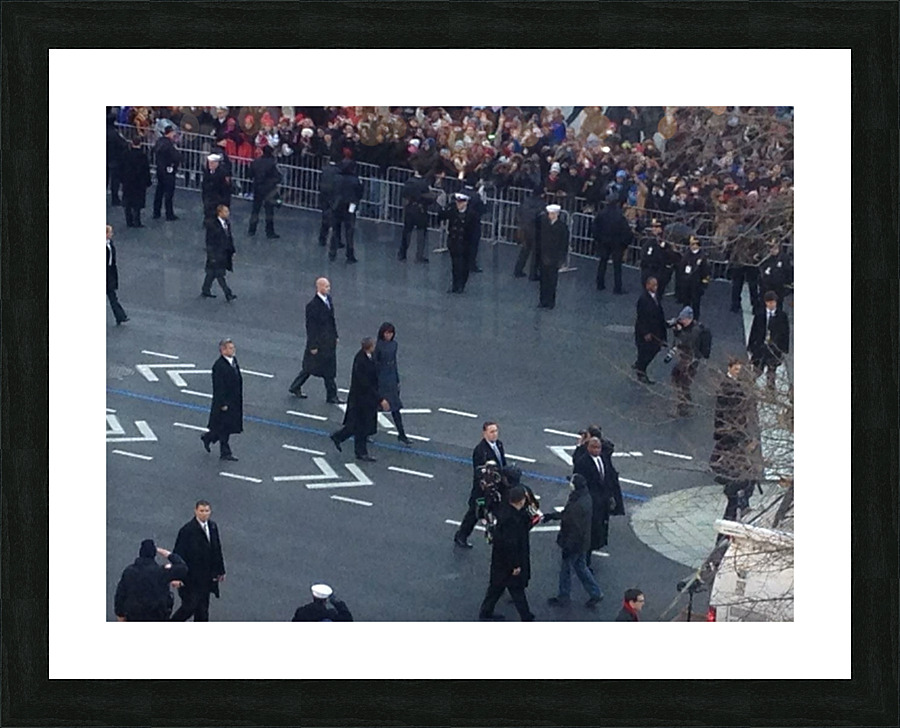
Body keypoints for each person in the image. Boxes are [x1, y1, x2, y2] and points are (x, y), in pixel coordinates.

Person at [542, 474, 604, 608]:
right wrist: (553, 516)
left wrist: (568, 547)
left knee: (566, 570)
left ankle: (563, 596)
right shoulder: (584, 497)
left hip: (573, 544)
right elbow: (568, 515)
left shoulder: (577, 503)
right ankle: (595, 593)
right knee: (581, 567)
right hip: (583, 543)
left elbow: (573, 527)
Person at [478, 486, 536, 621]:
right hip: (509, 562)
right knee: (516, 589)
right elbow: (511, 545)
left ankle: (486, 613)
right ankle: (526, 616)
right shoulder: (512, 521)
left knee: (496, 588)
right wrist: (515, 565)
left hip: (500, 561)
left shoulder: (505, 512)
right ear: (521, 501)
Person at [329, 337, 389, 462]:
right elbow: (365, 383)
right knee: (361, 426)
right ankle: (360, 452)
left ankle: (339, 438)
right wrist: (380, 398)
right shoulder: (361, 360)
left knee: (357, 426)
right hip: (361, 400)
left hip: (364, 399)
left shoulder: (366, 357)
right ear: (370, 347)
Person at [573, 437, 624, 570]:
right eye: (593, 447)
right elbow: (579, 482)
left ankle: (590, 552)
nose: (596, 450)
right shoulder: (583, 462)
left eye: (598, 448)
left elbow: (608, 478)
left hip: (602, 502)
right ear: (588, 447)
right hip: (591, 502)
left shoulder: (603, 459)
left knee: (598, 530)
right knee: (589, 531)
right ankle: (585, 560)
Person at [170, 500, 226, 622]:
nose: (204, 514)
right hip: (190, 578)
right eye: (201, 511)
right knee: (189, 607)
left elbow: (216, 549)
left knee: (202, 611)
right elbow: (178, 554)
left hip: (206, 578)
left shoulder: (212, 527)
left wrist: (220, 571)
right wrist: (177, 576)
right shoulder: (187, 531)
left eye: (207, 511)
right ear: (195, 511)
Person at [454, 421, 507, 548]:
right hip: (482, 490)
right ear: (484, 433)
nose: (495, 434)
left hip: (497, 487)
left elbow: (502, 463)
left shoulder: (499, 445)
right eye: (491, 432)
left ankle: (499, 537)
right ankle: (461, 535)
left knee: (499, 511)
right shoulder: (480, 450)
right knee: (474, 513)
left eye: (496, 431)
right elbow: (479, 472)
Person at [289, 277, 342, 403]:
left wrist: (335, 336)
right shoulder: (312, 306)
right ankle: (331, 395)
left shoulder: (328, 300)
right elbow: (311, 327)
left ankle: (330, 395)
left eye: (329, 286)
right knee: (312, 368)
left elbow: (331, 320)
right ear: (318, 287)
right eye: (326, 286)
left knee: (323, 369)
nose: (328, 289)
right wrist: (313, 345)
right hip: (320, 343)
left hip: (328, 341)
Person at [114, 539, 187, 622]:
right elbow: (183, 568)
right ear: (154, 555)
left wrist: (120, 614)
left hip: (134, 616)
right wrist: (165, 553)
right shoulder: (162, 572)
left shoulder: (129, 572)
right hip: (158, 616)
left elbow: (120, 595)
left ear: (140, 553)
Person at [201, 338, 243, 461]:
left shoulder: (233, 361)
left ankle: (209, 437)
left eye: (233, 347)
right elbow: (218, 387)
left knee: (225, 427)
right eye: (230, 348)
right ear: (223, 350)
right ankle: (225, 452)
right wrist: (223, 403)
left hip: (234, 400)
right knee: (225, 427)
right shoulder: (219, 366)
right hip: (225, 402)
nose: (233, 350)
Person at [374, 322, 411, 445]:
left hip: (390, 379)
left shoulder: (394, 345)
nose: (389, 335)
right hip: (382, 379)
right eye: (387, 333)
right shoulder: (378, 346)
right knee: (374, 409)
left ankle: (401, 434)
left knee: (395, 409)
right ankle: (365, 432)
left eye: (391, 333)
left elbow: (394, 363)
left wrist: (397, 380)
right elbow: (375, 365)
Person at [747, 290, 790, 388]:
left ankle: (770, 390)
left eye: (774, 302)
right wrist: (751, 346)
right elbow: (754, 330)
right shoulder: (760, 315)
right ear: (766, 302)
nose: (772, 304)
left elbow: (785, 333)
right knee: (757, 370)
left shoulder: (782, 316)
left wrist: (784, 349)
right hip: (761, 347)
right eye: (770, 302)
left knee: (771, 372)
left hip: (774, 348)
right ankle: (749, 386)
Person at [439, 192, 479, 294]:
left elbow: (475, 232)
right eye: (457, 201)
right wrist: (441, 207)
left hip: (465, 244)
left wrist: (473, 247)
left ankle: (461, 285)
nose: (458, 204)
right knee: (455, 265)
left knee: (464, 265)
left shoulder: (472, 214)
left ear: (466, 202)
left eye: (461, 202)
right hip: (454, 242)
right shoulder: (452, 210)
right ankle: (455, 285)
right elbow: (442, 216)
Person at [668, 306, 703, 417]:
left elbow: (688, 342)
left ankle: (683, 407)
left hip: (690, 361)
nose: (681, 321)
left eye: (682, 319)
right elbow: (678, 342)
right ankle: (685, 402)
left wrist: (679, 332)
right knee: (678, 379)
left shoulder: (696, 330)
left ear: (689, 319)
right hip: (684, 359)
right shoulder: (687, 328)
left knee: (683, 383)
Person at [594, 197, 633, 294]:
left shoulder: (601, 214)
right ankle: (617, 288)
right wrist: (625, 244)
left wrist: (598, 239)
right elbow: (626, 231)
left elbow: (595, 228)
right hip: (617, 243)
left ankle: (600, 284)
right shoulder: (620, 216)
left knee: (602, 262)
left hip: (604, 241)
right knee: (617, 266)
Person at [633, 276, 667, 384]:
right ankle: (641, 370)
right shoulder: (643, 299)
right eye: (653, 285)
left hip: (655, 329)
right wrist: (645, 332)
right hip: (646, 331)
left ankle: (640, 366)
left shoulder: (655, 297)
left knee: (652, 349)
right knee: (647, 351)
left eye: (656, 285)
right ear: (647, 285)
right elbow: (641, 317)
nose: (656, 287)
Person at [201, 204, 237, 302]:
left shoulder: (226, 223)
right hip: (216, 254)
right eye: (226, 212)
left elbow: (229, 238)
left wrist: (232, 250)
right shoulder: (213, 225)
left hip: (222, 254)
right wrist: (211, 255)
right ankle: (228, 293)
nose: (228, 213)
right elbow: (209, 241)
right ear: (220, 213)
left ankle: (205, 289)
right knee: (220, 274)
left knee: (211, 273)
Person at [537, 204, 569, 309]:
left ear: (556, 214)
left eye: (551, 213)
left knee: (552, 281)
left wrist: (561, 259)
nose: (549, 215)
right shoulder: (544, 224)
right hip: (544, 256)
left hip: (554, 258)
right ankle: (543, 300)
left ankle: (550, 302)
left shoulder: (562, 227)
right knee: (543, 280)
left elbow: (564, 244)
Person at [398, 166, 433, 262]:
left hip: (409, 209)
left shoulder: (408, 182)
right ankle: (419, 255)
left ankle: (402, 253)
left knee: (407, 231)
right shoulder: (424, 184)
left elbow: (403, 195)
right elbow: (429, 198)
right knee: (421, 233)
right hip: (420, 210)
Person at [330, 159, 362, 262]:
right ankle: (350, 254)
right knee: (349, 231)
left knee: (335, 230)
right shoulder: (355, 180)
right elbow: (359, 193)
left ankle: (332, 252)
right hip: (349, 207)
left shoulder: (336, 178)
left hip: (337, 206)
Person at [247, 142, 282, 239]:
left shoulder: (256, 162)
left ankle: (251, 230)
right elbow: (278, 177)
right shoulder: (272, 163)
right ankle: (269, 232)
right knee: (269, 211)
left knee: (255, 210)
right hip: (269, 190)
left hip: (257, 188)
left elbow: (249, 174)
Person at [674, 235, 711, 320]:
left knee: (695, 304)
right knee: (686, 302)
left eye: (693, 244)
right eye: (691, 244)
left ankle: (695, 319)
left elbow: (706, 272)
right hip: (686, 283)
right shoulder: (687, 254)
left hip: (696, 284)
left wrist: (703, 285)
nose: (691, 246)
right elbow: (681, 268)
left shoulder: (702, 257)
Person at [513, 184, 544, 280]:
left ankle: (518, 270)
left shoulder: (525, 201)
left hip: (524, 228)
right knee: (535, 253)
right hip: (535, 230)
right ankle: (533, 274)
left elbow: (519, 212)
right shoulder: (542, 204)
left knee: (524, 250)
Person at [120, 136, 151, 228]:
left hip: (127, 181)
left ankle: (128, 221)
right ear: (140, 144)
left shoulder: (125, 154)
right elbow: (146, 170)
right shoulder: (142, 156)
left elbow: (121, 168)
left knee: (128, 202)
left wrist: (122, 179)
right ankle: (137, 221)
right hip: (139, 183)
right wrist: (148, 182)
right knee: (137, 203)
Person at [152, 125, 182, 221]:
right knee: (169, 193)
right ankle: (169, 214)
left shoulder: (159, 142)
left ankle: (156, 212)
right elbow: (176, 157)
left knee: (159, 191)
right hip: (168, 171)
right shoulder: (169, 145)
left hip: (160, 170)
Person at [758, 238, 793, 311]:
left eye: (773, 247)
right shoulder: (767, 258)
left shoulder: (784, 258)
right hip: (766, 287)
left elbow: (788, 271)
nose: (772, 250)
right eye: (770, 247)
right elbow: (762, 269)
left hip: (778, 288)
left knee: (778, 307)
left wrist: (787, 283)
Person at [106, 225, 130, 325]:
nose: (112, 234)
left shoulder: (109, 243)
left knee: (112, 296)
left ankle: (120, 316)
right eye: (110, 232)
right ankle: (120, 316)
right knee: (112, 296)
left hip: (109, 272)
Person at [462, 176, 486, 272]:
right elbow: (482, 209)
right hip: (473, 223)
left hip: (461, 221)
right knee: (473, 245)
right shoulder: (476, 196)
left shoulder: (461, 192)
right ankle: (471, 264)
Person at [201, 154, 231, 224]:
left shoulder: (223, 173)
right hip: (209, 197)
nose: (210, 165)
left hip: (219, 198)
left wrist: (224, 202)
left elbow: (226, 189)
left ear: (217, 163)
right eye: (209, 163)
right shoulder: (207, 172)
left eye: (212, 163)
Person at [106, 113, 129, 206]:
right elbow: (123, 144)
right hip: (114, 159)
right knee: (115, 181)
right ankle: (115, 199)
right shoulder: (114, 134)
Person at [318, 159, 340, 247]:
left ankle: (322, 238)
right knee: (336, 219)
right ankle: (336, 240)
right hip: (333, 196)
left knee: (325, 217)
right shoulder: (338, 171)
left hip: (324, 195)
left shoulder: (324, 169)